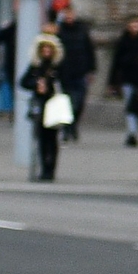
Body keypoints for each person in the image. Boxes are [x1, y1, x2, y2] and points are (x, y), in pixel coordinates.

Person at [19, 34, 67, 182]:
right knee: (41, 139)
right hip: (40, 105)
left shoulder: (57, 68)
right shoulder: (35, 67)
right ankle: (43, 168)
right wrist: (35, 84)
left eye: (49, 48)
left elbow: (65, 84)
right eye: (44, 48)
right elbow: (23, 82)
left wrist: (51, 85)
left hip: (53, 105)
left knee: (52, 139)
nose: (46, 51)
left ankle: (50, 169)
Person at [54, 9, 97, 142]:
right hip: (64, 72)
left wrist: (92, 69)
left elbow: (90, 51)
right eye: (66, 15)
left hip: (81, 71)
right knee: (66, 102)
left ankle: (73, 124)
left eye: (71, 14)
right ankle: (67, 128)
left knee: (79, 102)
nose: (69, 17)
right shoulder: (59, 32)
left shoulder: (82, 31)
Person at [108, 18, 138, 145]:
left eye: (137, 25)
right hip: (127, 78)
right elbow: (116, 62)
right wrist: (112, 81)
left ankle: (134, 130)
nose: (135, 28)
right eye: (132, 25)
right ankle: (132, 132)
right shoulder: (123, 41)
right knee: (130, 106)